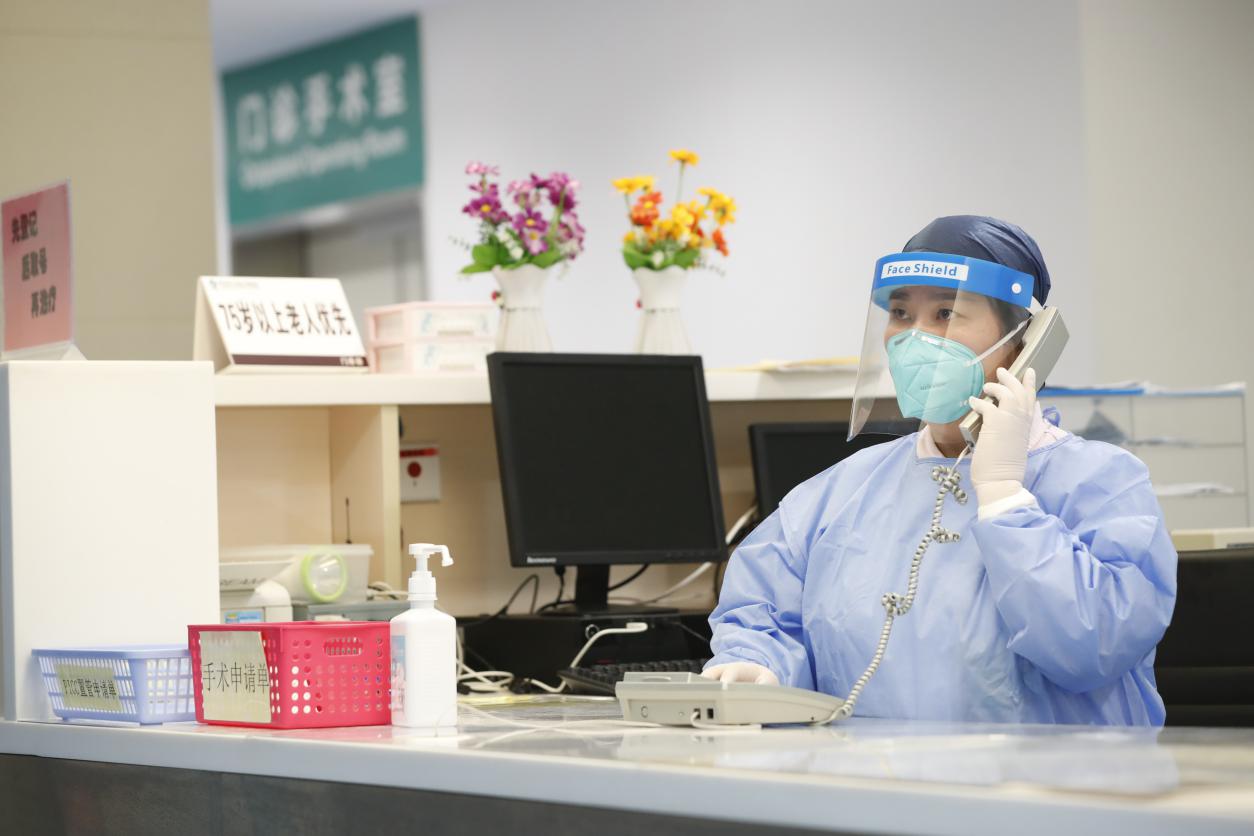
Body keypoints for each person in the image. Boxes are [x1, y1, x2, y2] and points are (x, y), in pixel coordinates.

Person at [704, 215, 1177, 725]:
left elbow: (1096, 645)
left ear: (1025, 340)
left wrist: (1004, 497)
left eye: (946, 313)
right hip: (872, 774)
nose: (915, 338)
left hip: (1048, 776)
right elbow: (763, 615)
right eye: (901, 313)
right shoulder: (837, 494)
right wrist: (759, 667)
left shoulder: (1101, 484)